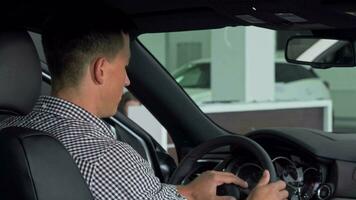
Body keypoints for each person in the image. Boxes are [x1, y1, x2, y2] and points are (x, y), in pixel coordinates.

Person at [0, 10, 288, 200]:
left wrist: (187, 193)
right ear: (101, 70)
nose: (127, 80)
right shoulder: (105, 158)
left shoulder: (10, 129)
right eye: (124, 67)